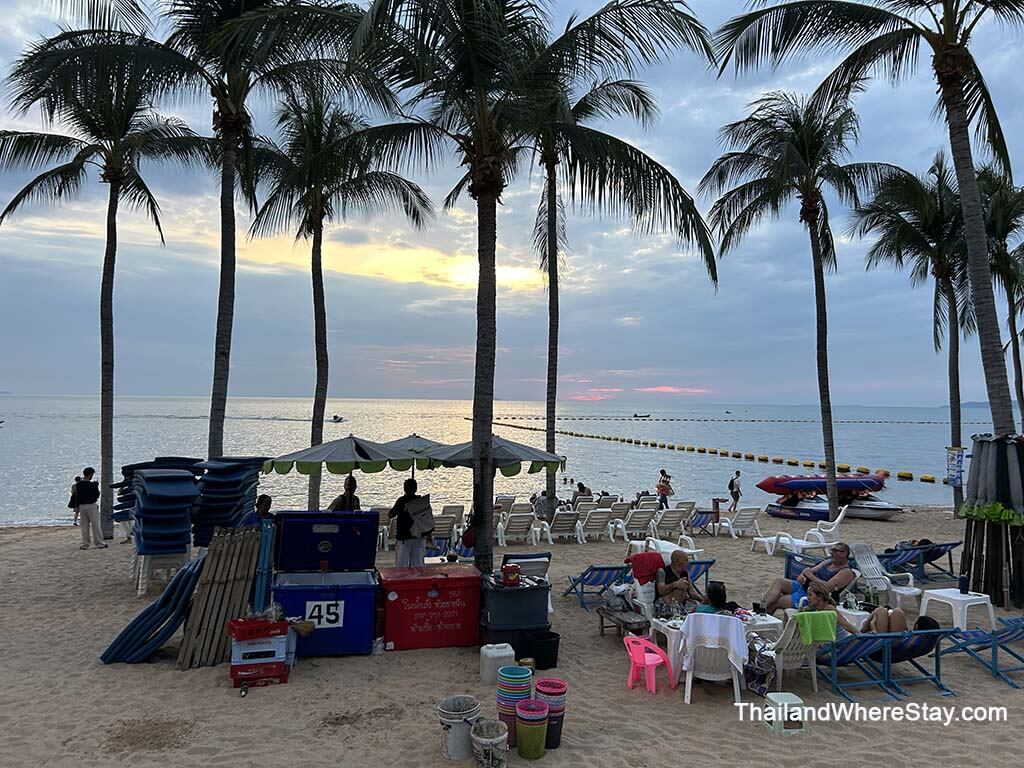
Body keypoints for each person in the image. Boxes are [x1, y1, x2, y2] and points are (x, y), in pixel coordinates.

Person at [763, 542, 855, 613]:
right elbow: (808, 571)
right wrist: (802, 576)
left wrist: (810, 576)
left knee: (775, 602)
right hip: (804, 587)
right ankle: (760, 608)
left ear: (844, 554)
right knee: (779, 581)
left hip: (814, 597)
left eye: (835, 551)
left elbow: (827, 588)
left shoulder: (846, 572)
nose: (831, 553)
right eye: (832, 550)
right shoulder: (828, 562)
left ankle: (762, 622)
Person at [802, 582, 909, 640]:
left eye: (810, 595)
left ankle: (880, 642)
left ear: (820, 596)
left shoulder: (829, 609)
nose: (807, 598)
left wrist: (860, 637)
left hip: (849, 643)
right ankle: (883, 640)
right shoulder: (819, 609)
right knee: (881, 610)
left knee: (882, 610)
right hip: (850, 641)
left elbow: (847, 626)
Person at [654, 550, 704, 618]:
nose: (688, 563)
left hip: (680, 606)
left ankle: (678, 613)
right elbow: (661, 591)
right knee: (680, 587)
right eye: (686, 560)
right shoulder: (662, 572)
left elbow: (692, 593)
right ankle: (676, 614)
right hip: (663, 606)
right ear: (677, 561)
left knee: (683, 587)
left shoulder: (685, 573)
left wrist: (704, 599)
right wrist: (675, 584)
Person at [391, 478, 428, 567]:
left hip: (404, 537)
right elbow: (427, 519)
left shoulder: (401, 501)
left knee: (401, 565)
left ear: (404, 489)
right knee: (418, 565)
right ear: (416, 488)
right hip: (419, 537)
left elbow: (391, 514)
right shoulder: (421, 501)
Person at [75, 467, 106, 550]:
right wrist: (96, 486)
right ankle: (99, 543)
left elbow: (77, 496)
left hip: (82, 506)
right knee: (96, 525)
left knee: (84, 526)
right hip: (91, 505)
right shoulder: (92, 485)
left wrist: (77, 506)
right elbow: (96, 495)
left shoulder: (78, 484)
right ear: (90, 475)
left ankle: (85, 544)